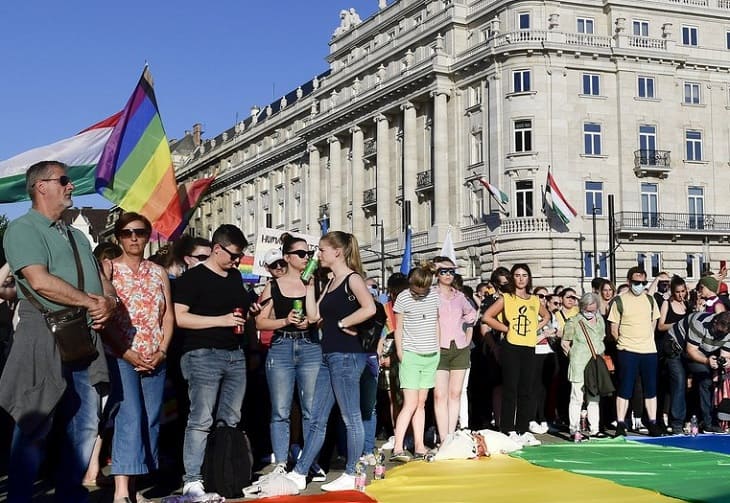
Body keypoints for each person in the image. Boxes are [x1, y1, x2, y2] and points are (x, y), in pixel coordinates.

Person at [0, 160, 117, 502]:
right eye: (64, 180)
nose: (70, 186)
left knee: (85, 424)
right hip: (44, 332)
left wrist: (109, 302)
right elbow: (39, 281)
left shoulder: (77, 234)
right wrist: (91, 302)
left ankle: (70, 494)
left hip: (83, 333)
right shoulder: (23, 229)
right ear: (41, 186)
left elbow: (102, 279)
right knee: (34, 421)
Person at [285, 231, 376, 492]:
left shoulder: (352, 278)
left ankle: (353, 472)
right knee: (317, 417)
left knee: (351, 416)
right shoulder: (330, 282)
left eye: (322, 250)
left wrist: (344, 322)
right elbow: (313, 317)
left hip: (348, 355)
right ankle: (301, 471)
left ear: (337, 251)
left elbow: (369, 307)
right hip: (328, 355)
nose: (317, 255)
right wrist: (309, 288)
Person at [174, 224, 251, 498]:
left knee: (231, 418)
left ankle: (223, 471)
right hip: (203, 354)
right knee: (201, 419)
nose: (237, 261)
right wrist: (221, 321)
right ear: (217, 249)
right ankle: (193, 478)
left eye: (239, 256)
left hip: (235, 354)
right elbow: (180, 317)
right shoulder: (191, 279)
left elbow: (238, 307)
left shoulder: (233, 277)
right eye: (233, 255)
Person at [102, 212, 174, 503]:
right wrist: (127, 352)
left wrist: (163, 350)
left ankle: (134, 487)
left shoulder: (158, 272)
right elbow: (103, 316)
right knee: (129, 417)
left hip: (155, 354)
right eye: (128, 232)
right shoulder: (108, 268)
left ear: (148, 236)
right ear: (118, 237)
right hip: (121, 354)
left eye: (141, 232)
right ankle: (120, 491)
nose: (134, 238)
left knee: (151, 420)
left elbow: (168, 314)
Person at [255, 234, 323, 479]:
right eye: (301, 254)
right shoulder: (273, 285)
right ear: (287, 257)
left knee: (310, 409)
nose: (307, 258)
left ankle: (308, 461)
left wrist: (310, 296)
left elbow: (315, 316)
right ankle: (281, 463)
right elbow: (260, 322)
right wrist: (285, 320)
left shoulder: (313, 282)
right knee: (281, 410)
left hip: (309, 347)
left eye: (309, 254)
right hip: (281, 346)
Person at [483, 264, 549, 446]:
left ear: (529, 278)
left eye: (524, 275)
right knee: (510, 388)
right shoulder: (506, 298)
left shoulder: (535, 300)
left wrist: (535, 328)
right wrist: (506, 328)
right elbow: (487, 317)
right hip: (511, 346)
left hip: (529, 345)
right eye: (517, 275)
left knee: (526, 389)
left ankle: (523, 429)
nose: (521, 279)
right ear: (513, 278)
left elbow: (546, 316)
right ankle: (508, 428)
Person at [390, 263, 440, 462]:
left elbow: (436, 322)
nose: (419, 294)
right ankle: (397, 447)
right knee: (409, 403)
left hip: (430, 355)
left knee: (421, 403)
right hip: (411, 355)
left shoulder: (434, 296)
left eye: (423, 291)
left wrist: (437, 349)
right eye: (415, 291)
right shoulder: (403, 298)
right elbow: (398, 328)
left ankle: (419, 446)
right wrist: (401, 352)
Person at [607, 266, 663, 437]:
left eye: (643, 282)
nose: (640, 285)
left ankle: (652, 422)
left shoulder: (650, 300)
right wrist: (624, 344)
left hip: (648, 350)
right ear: (629, 282)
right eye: (637, 282)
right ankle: (621, 423)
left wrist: (645, 339)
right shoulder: (619, 301)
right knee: (625, 388)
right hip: (627, 350)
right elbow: (613, 329)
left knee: (651, 388)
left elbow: (653, 324)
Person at [432, 257, 477, 443]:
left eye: (451, 271)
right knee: (439, 394)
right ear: (436, 274)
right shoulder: (430, 295)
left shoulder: (459, 296)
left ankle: (451, 435)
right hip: (438, 348)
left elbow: (472, 313)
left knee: (456, 393)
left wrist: (467, 335)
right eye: (444, 271)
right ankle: (443, 438)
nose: (448, 274)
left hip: (459, 348)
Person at [562, 293, 606, 441]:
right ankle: (574, 430)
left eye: (593, 310)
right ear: (581, 308)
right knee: (577, 398)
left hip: (595, 364)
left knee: (594, 397)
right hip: (579, 364)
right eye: (587, 310)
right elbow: (565, 343)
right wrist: (572, 356)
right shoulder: (574, 321)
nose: (590, 313)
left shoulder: (600, 320)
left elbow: (601, 338)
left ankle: (595, 429)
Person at [676, 311, 730, 432]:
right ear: (714, 322)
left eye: (723, 334)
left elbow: (726, 354)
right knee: (679, 382)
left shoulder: (727, 331)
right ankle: (677, 423)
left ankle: (708, 422)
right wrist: (707, 361)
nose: (719, 336)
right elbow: (691, 351)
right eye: (719, 332)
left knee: (706, 382)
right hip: (679, 346)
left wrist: (724, 361)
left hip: (702, 351)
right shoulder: (700, 324)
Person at [659, 276, 690, 434]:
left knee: (686, 383)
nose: (680, 295)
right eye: (677, 292)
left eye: (683, 291)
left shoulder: (688, 304)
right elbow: (661, 325)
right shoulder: (667, 303)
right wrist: (678, 324)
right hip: (672, 349)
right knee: (678, 381)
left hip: (688, 349)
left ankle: (687, 419)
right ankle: (676, 421)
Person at [528, 286, 558, 435]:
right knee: (534, 387)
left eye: (546, 297)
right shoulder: (530, 313)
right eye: (540, 296)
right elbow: (530, 336)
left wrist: (550, 333)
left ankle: (544, 417)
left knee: (546, 388)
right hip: (535, 352)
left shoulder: (550, 315)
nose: (543, 299)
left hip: (549, 352)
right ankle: (532, 418)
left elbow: (556, 332)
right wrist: (544, 334)